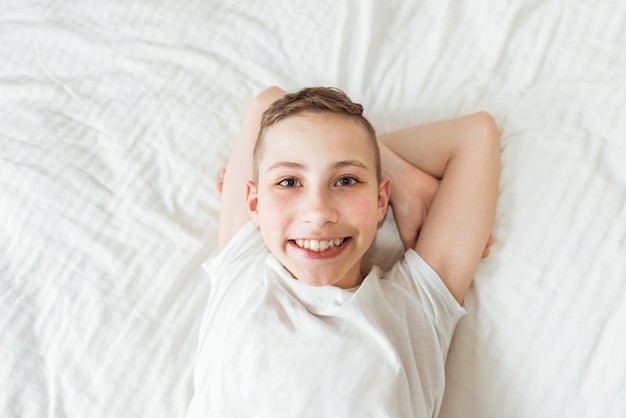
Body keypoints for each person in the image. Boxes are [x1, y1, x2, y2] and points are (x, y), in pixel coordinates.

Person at [186, 86, 500, 417]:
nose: (319, 212)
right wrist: (397, 174)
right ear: (255, 203)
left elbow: (477, 136)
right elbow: (268, 101)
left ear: (380, 200)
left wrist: (374, 163)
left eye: (347, 181)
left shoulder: (415, 308)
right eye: (289, 182)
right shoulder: (243, 266)